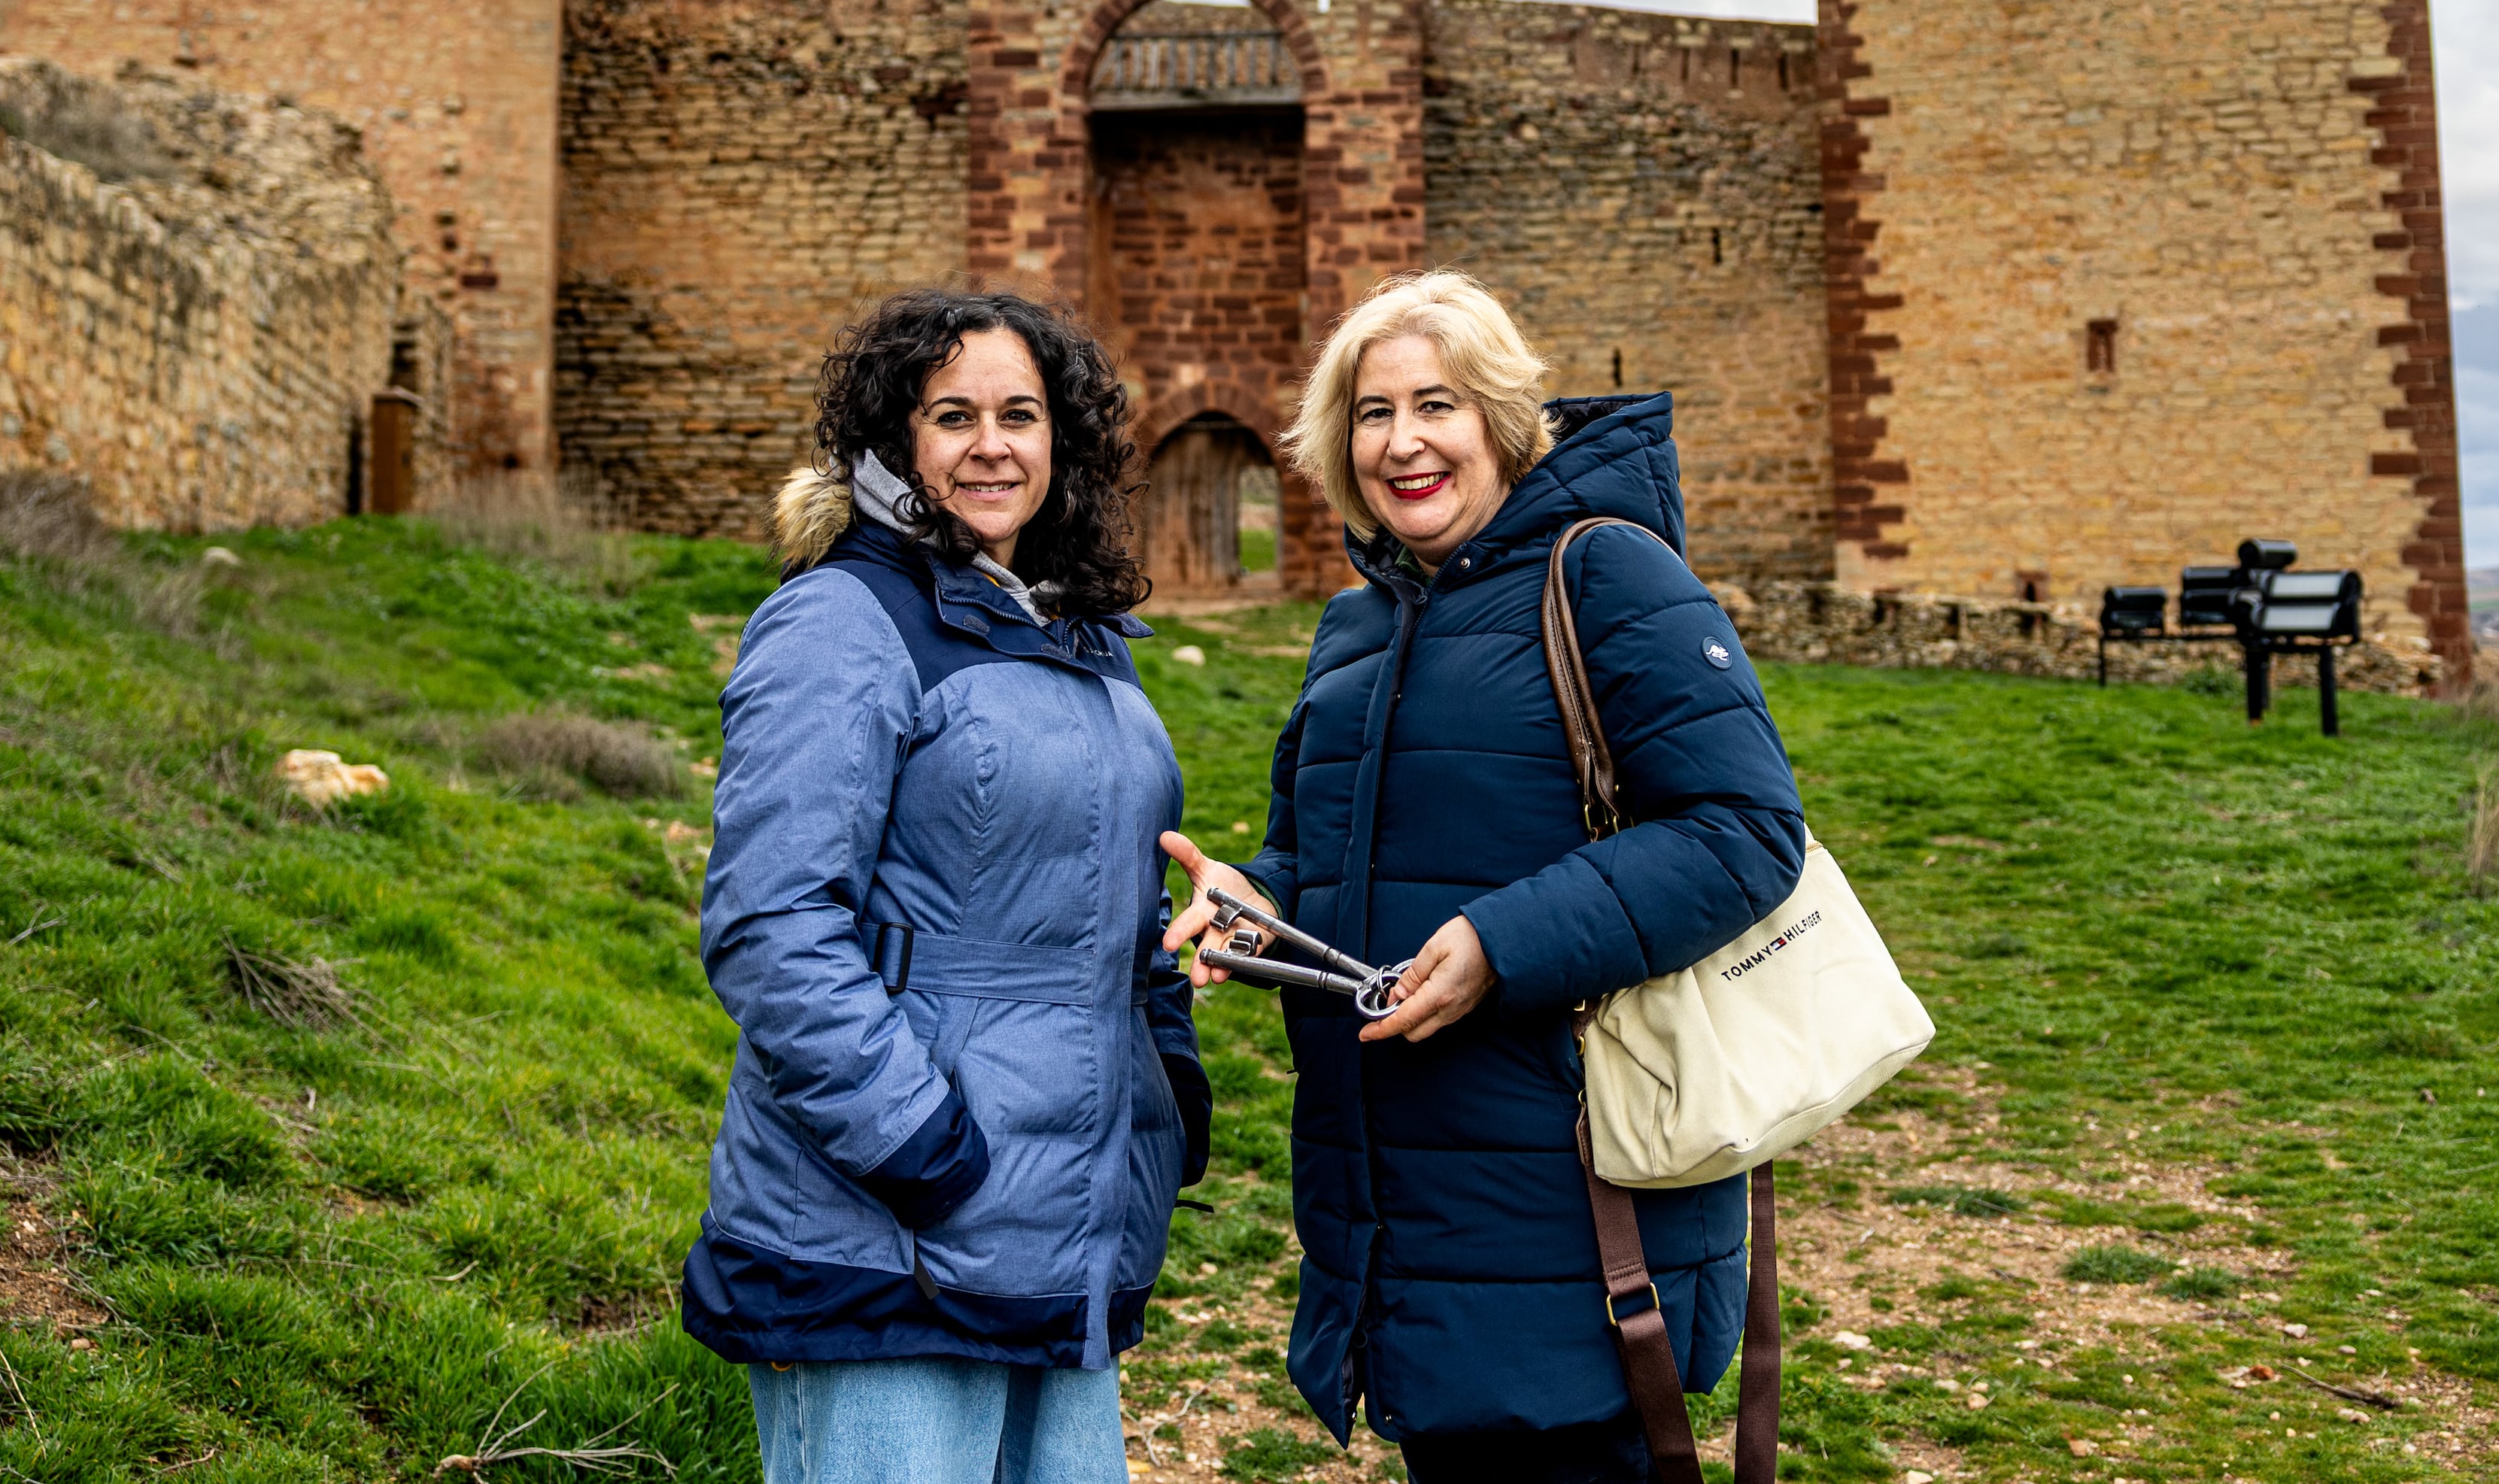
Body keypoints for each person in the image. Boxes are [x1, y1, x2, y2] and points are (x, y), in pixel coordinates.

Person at [1161, 272, 1807, 1483]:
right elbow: (1331, 847)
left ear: (1503, 419)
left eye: (1436, 404)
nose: (1402, 440)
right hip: (1403, 1199)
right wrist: (1263, 898)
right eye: (1372, 412)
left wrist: (1501, 945)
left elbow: (1744, 830)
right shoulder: (1359, 625)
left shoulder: (1607, 575)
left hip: (1571, 1198)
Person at [684, 290, 1207, 1484]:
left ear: (1060, 438)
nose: (992, 445)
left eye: (1020, 414)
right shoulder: (841, 619)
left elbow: (1122, 905)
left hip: (1061, 1235)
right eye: (952, 415)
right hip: (888, 1239)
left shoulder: (1082, 639)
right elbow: (771, 923)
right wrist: (922, 1146)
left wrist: (1165, 1080)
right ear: (896, 437)